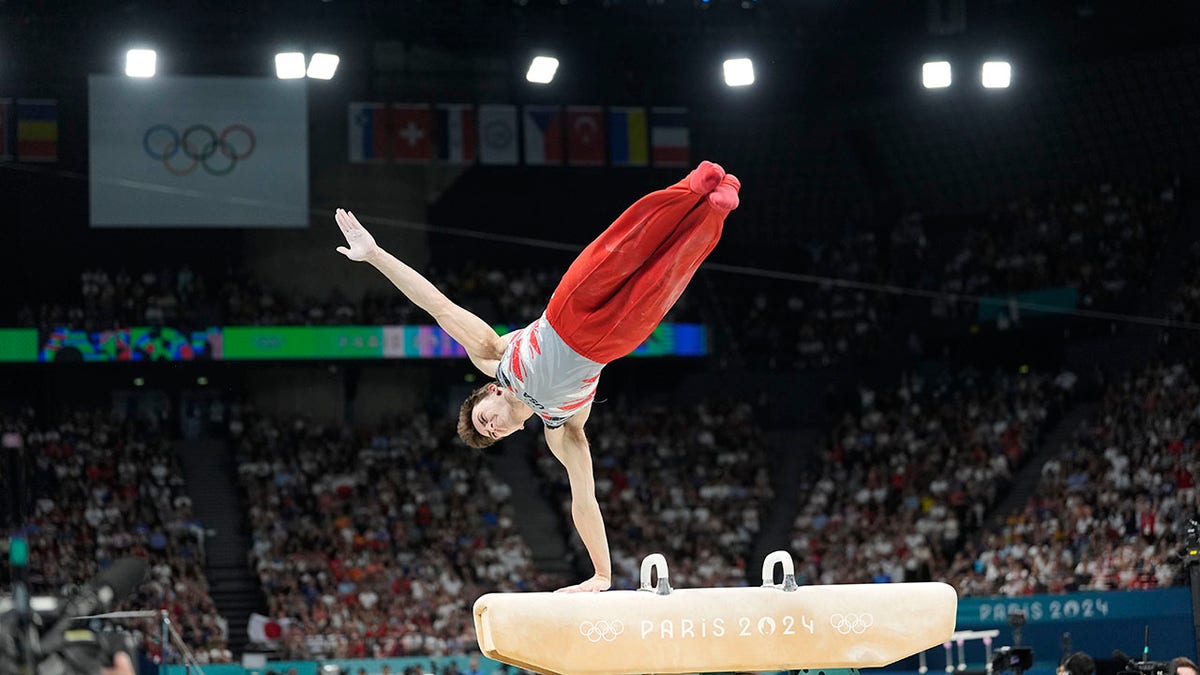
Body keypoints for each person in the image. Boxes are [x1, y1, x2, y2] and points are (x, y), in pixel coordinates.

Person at [333, 160, 740, 592]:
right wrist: (602, 575)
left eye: (481, 418)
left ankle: (692, 186)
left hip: (567, 311)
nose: (490, 426)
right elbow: (585, 500)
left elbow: (438, 306)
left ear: (489, 392)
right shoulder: (561, 428)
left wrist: (375, 255)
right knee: (667, 274)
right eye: (491, 434)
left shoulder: (495, 359)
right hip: (611, 344)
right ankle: (716, 208)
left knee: (625, 246)